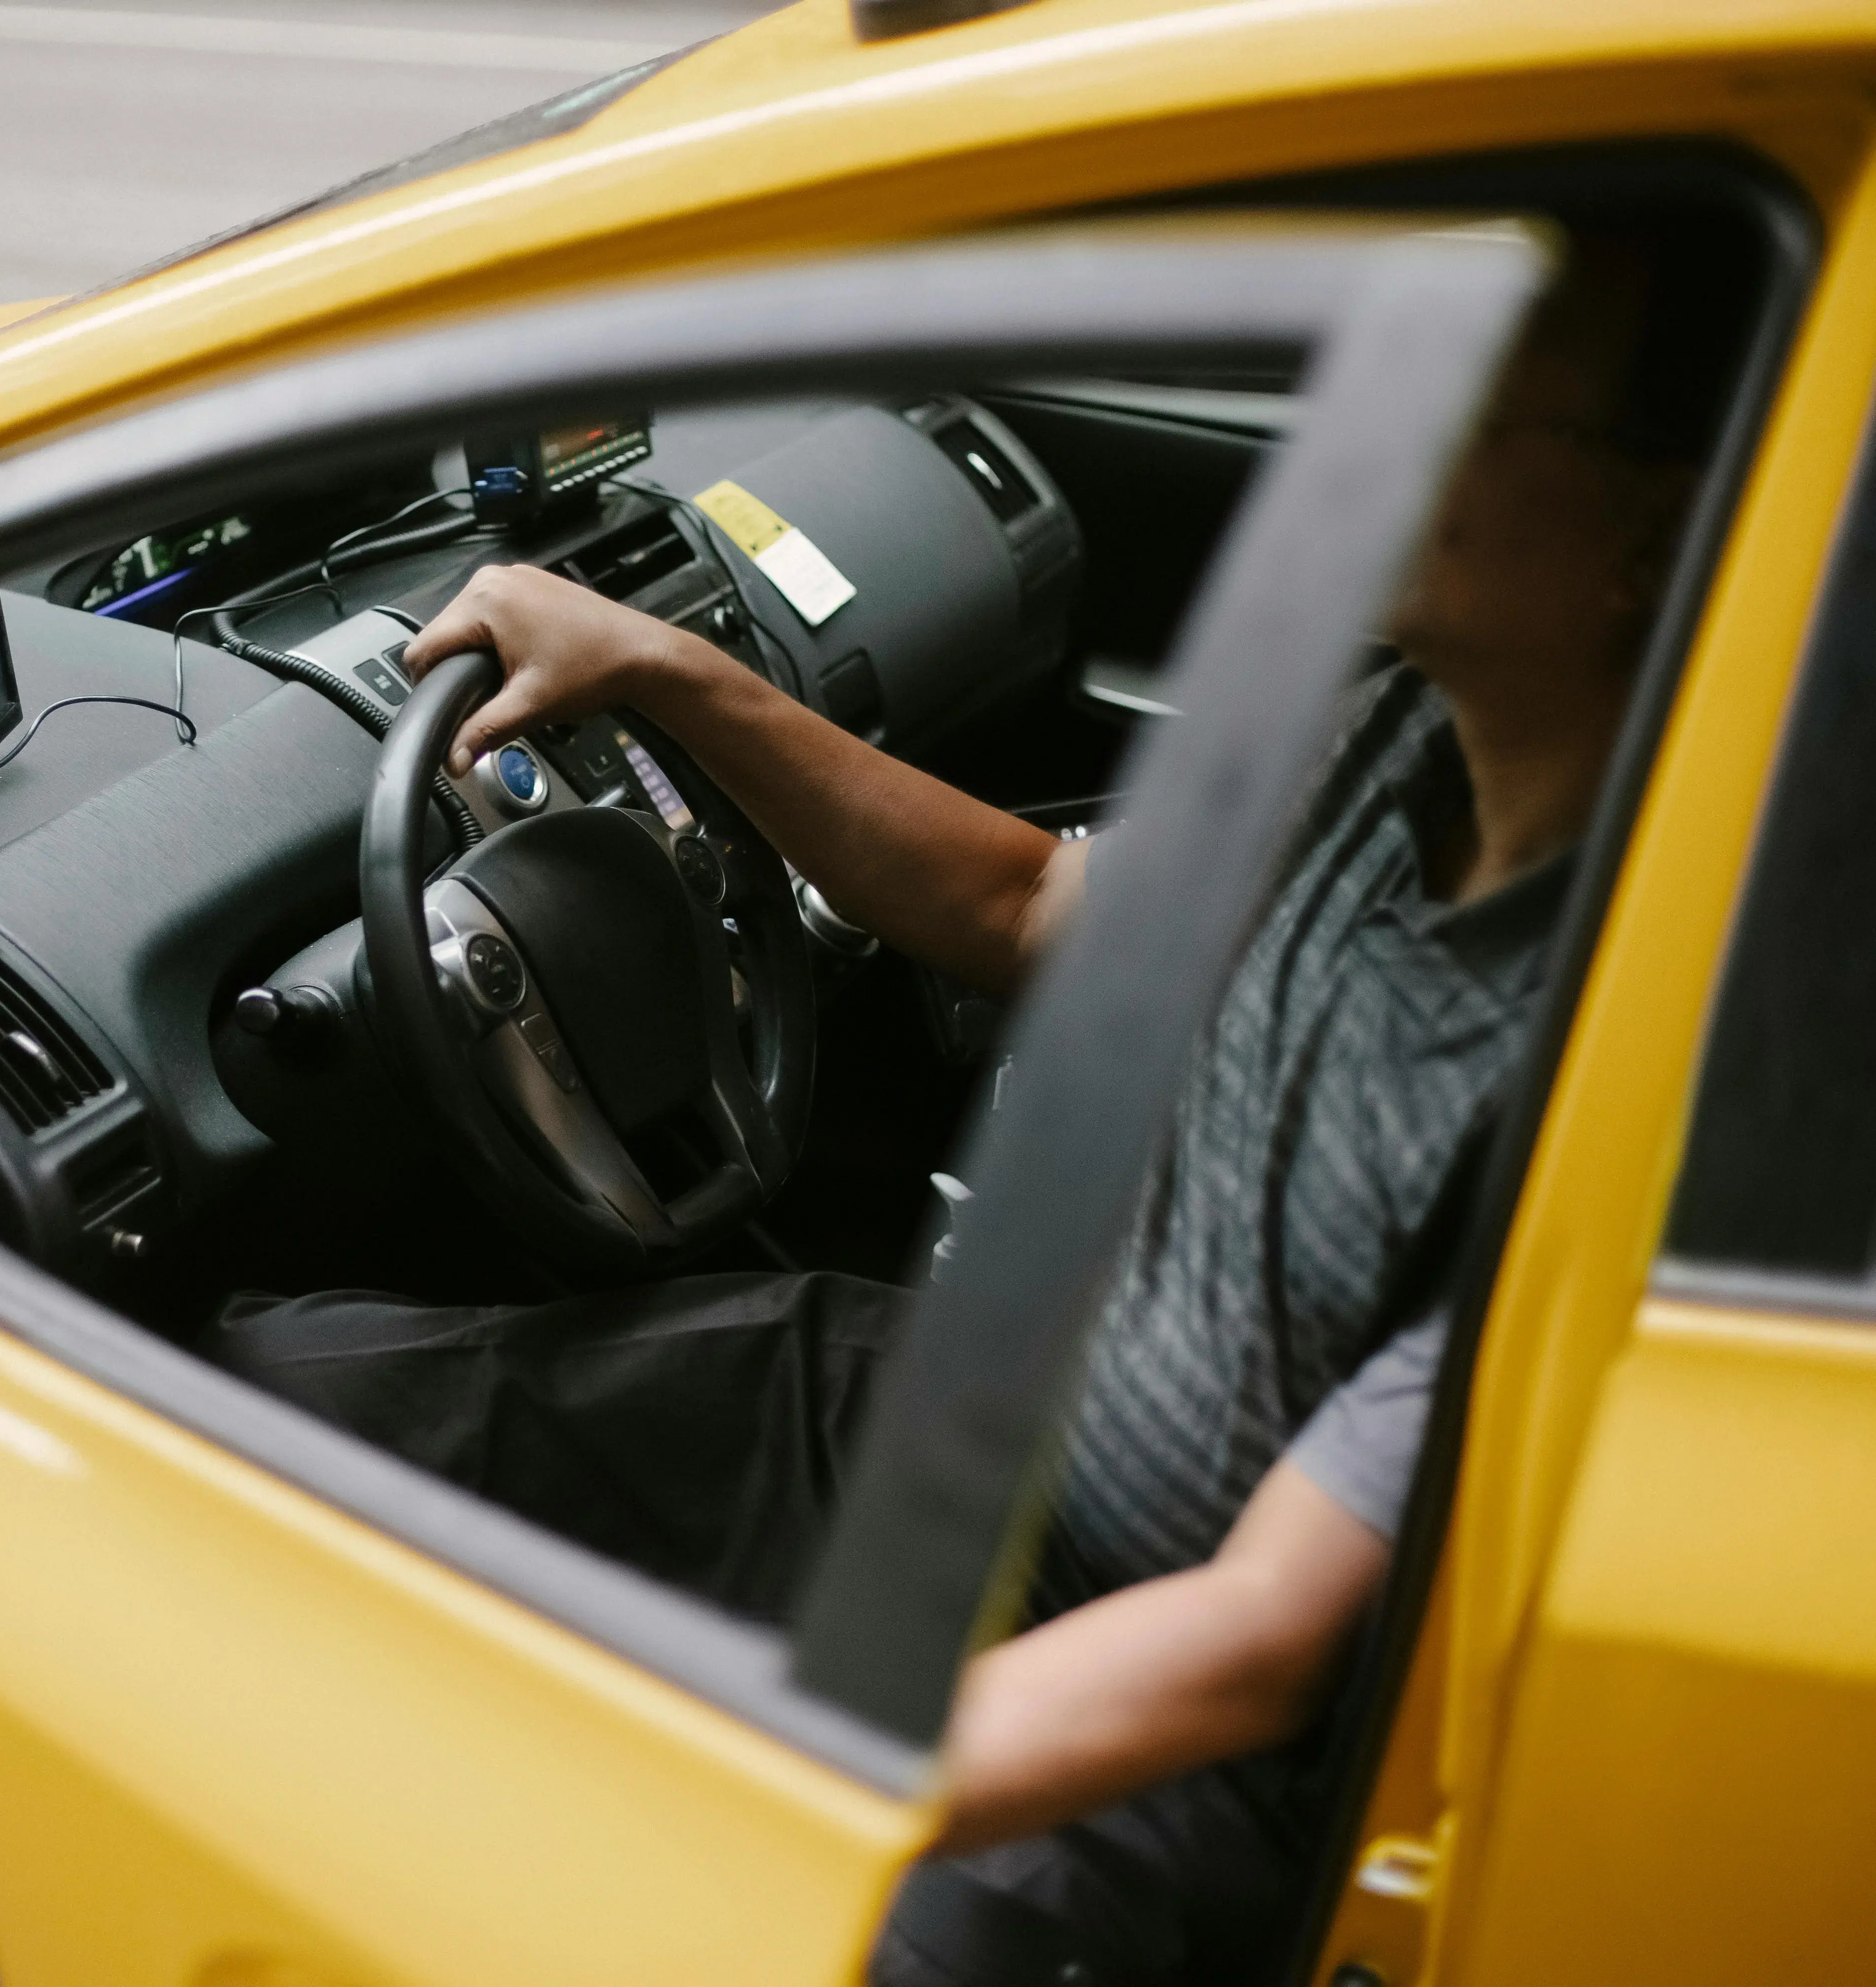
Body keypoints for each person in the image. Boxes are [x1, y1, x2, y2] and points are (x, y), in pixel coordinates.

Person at [221, 231, 1720, 1985]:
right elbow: (1025, 912)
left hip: (1186, 1749)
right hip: (1005, 1434)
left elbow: (1257, 1639)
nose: (1373, 430)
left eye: (1474, 401)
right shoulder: (1395, 745)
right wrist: (664, 669)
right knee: (277, 1399)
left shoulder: (1632, 1018)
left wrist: (743, 1771)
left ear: (1651, 535)